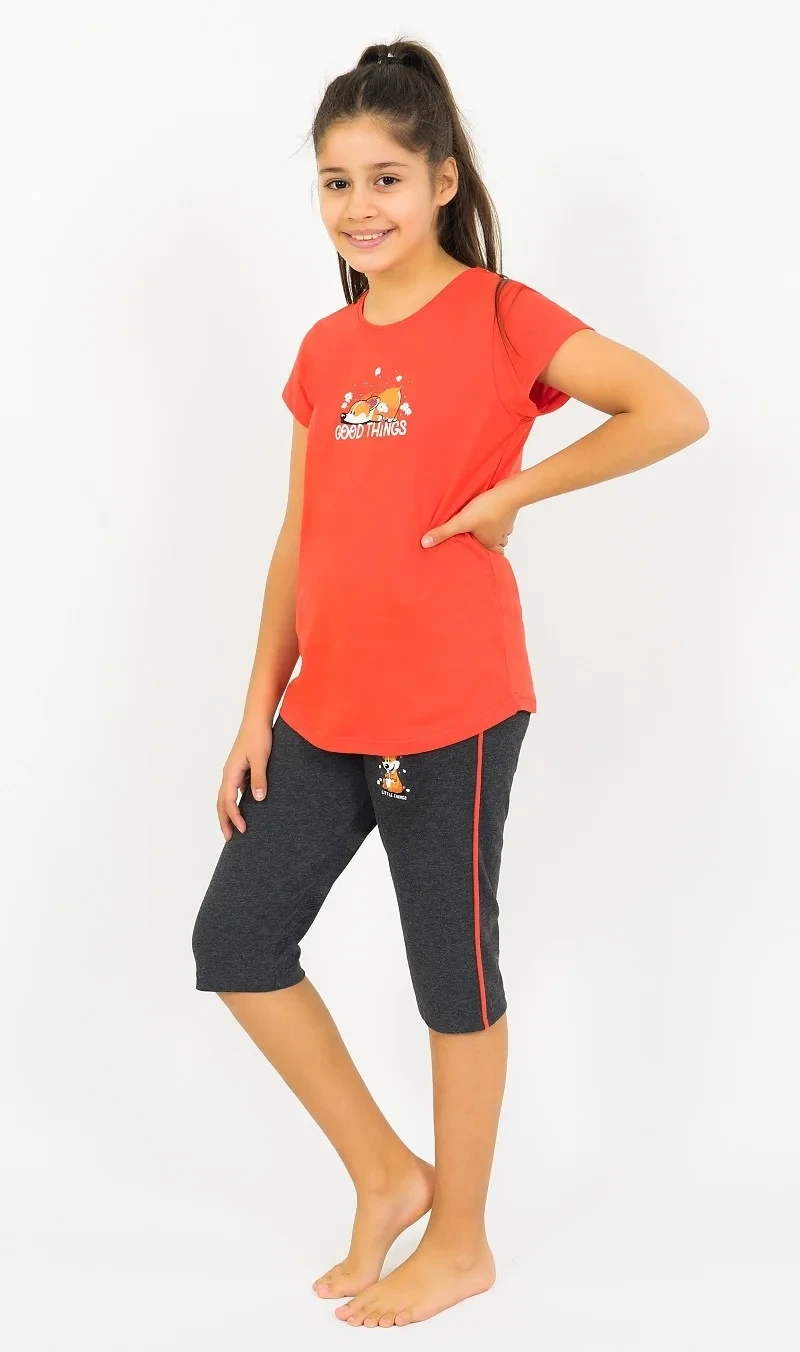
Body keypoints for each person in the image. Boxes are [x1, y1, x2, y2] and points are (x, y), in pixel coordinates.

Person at [191, 36, 708, 1330]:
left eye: (385, 178)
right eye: (335, 182)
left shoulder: (499, 315)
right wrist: (256, 709)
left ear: (441, 179)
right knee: (236, 941)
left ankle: (462, 1242)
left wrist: (514, 489)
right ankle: (388, 1176)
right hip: (324, 713)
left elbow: (668, 409)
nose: (359, 207)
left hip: (452, 706)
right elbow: (300, 538)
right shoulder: (325, 346)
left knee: (450, 974)